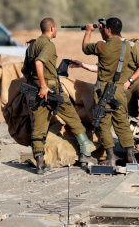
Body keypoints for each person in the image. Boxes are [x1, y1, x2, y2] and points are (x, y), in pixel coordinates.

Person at [21, 17, 97, 174]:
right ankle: (85, 154)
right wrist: (43, 86)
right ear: (52, 29)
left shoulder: (32, 45)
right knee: (73, 119)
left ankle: (40, 162)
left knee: (39, 126)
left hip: (36, 91)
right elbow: (38, 63)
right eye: (55, 28)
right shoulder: (48, 45)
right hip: (51, 89)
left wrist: (36, 85)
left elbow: (26, 70)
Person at [82, 17, 139, 166]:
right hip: (119, 90)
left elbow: (85, 48)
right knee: (122, 122)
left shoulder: (102, 46)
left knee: (103, 123)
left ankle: (110, 158)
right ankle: (131, 157)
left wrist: (89, 31)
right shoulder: (128, 46)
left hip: (103, 90)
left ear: (107, 30)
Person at [70, 39, 139, 118]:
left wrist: (130, 80)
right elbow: (101, 67)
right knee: (129, 114)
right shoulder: (109, 49)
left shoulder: (132, 45)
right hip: (124, 86)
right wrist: (82, 65)